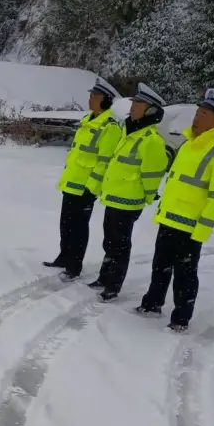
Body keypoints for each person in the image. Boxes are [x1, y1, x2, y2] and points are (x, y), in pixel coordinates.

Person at [137, 89, 214, 332]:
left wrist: (203, 229)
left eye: (204, 114)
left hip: (191, 224)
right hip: (169, 217)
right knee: (160, 265)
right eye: (197, 113)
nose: (197, 118)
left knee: (185, 274)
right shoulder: (188, 143)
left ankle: (181, 318)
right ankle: (152, 303)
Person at [85, 82, 169, 301]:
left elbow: (152, 175)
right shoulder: (128, 132)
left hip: (129, 201)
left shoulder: (151, 141)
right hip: (113, 197)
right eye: (134, 103)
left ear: (150, 110)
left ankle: (113, 285)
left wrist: (146, 196)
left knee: (120, 245)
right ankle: (105, 277)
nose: (133, 107)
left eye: (139, 104)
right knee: (109, 241)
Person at [44, 77, 122, 279]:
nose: (90, 99)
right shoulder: (87, 120)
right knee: (66, 223)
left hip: (87, 185)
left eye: (95, 96)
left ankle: (74, 265)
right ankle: (64, 255)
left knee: (79, 226)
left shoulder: (110, 126)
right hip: (72, 180)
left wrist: (92, 186)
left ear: (105, 100)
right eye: (91, 95)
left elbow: (104, 160)